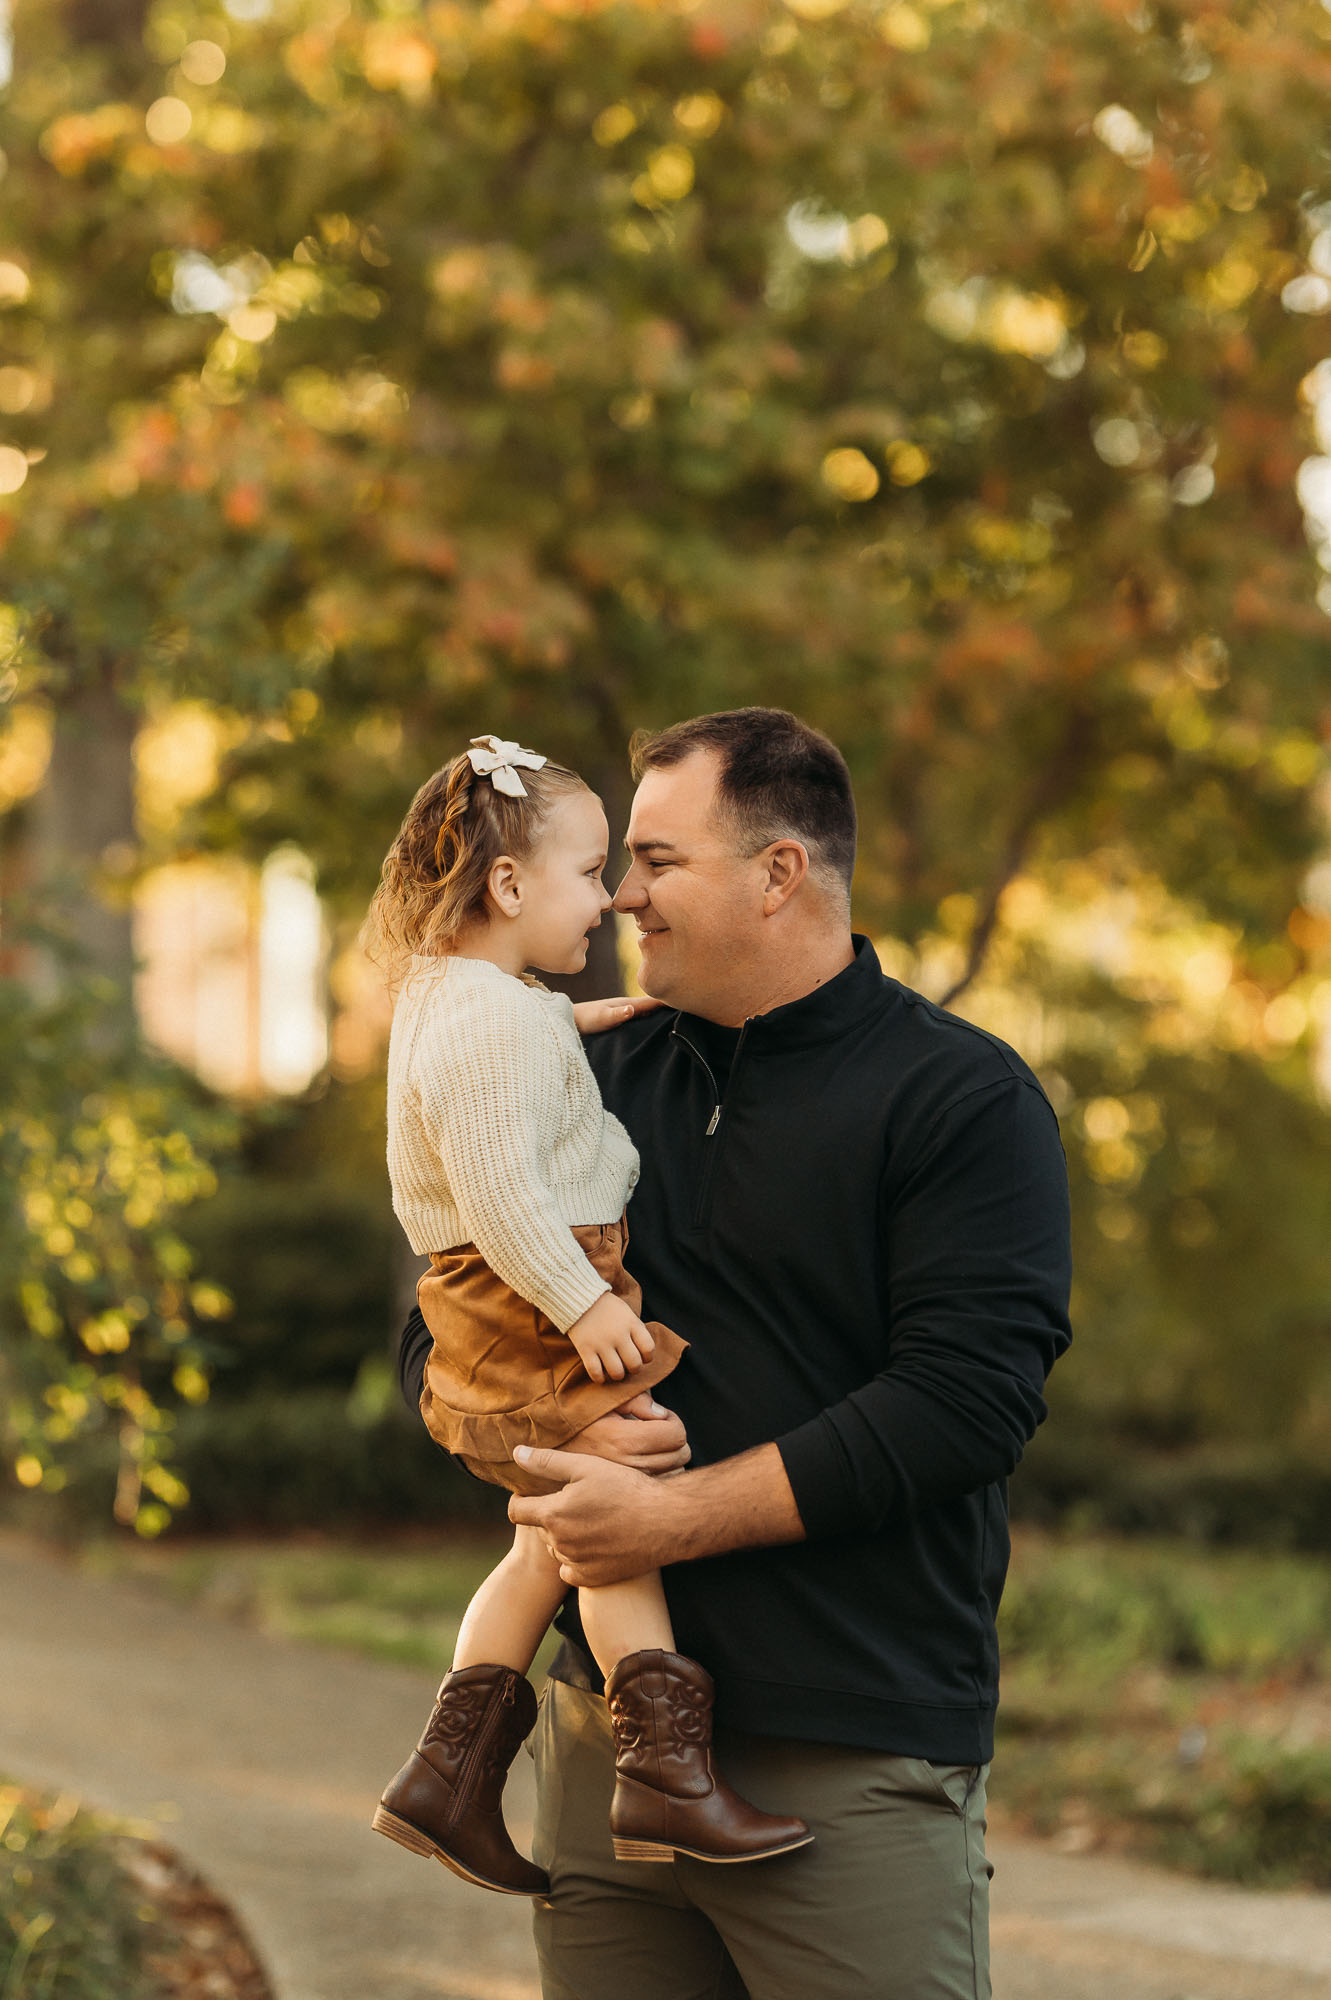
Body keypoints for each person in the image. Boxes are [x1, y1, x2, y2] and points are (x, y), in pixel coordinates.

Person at [397, 707, 1073, 2000]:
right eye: (620, 865)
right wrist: (552, 1436)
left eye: (656, 862)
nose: (620, 900)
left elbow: (961, 1407)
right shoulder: (583, 1075)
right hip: (603, 1769)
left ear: (779, 874)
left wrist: (664, 1522)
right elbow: (433, 1329)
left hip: (850, 1761)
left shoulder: (960, 1103)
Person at [365, 734, 812, 1901]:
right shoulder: (493, 1021)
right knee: (616, 1509)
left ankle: (445, 1776)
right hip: (535, 1281)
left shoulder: (455, 996)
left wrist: (564, 1026)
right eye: (587, 871)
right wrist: (580, 1307)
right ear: (507, 886)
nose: (607, 896)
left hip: (498, 1281)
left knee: (542, 1531)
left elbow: (481, 1079)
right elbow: (505, 1188)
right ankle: (662, 1767)